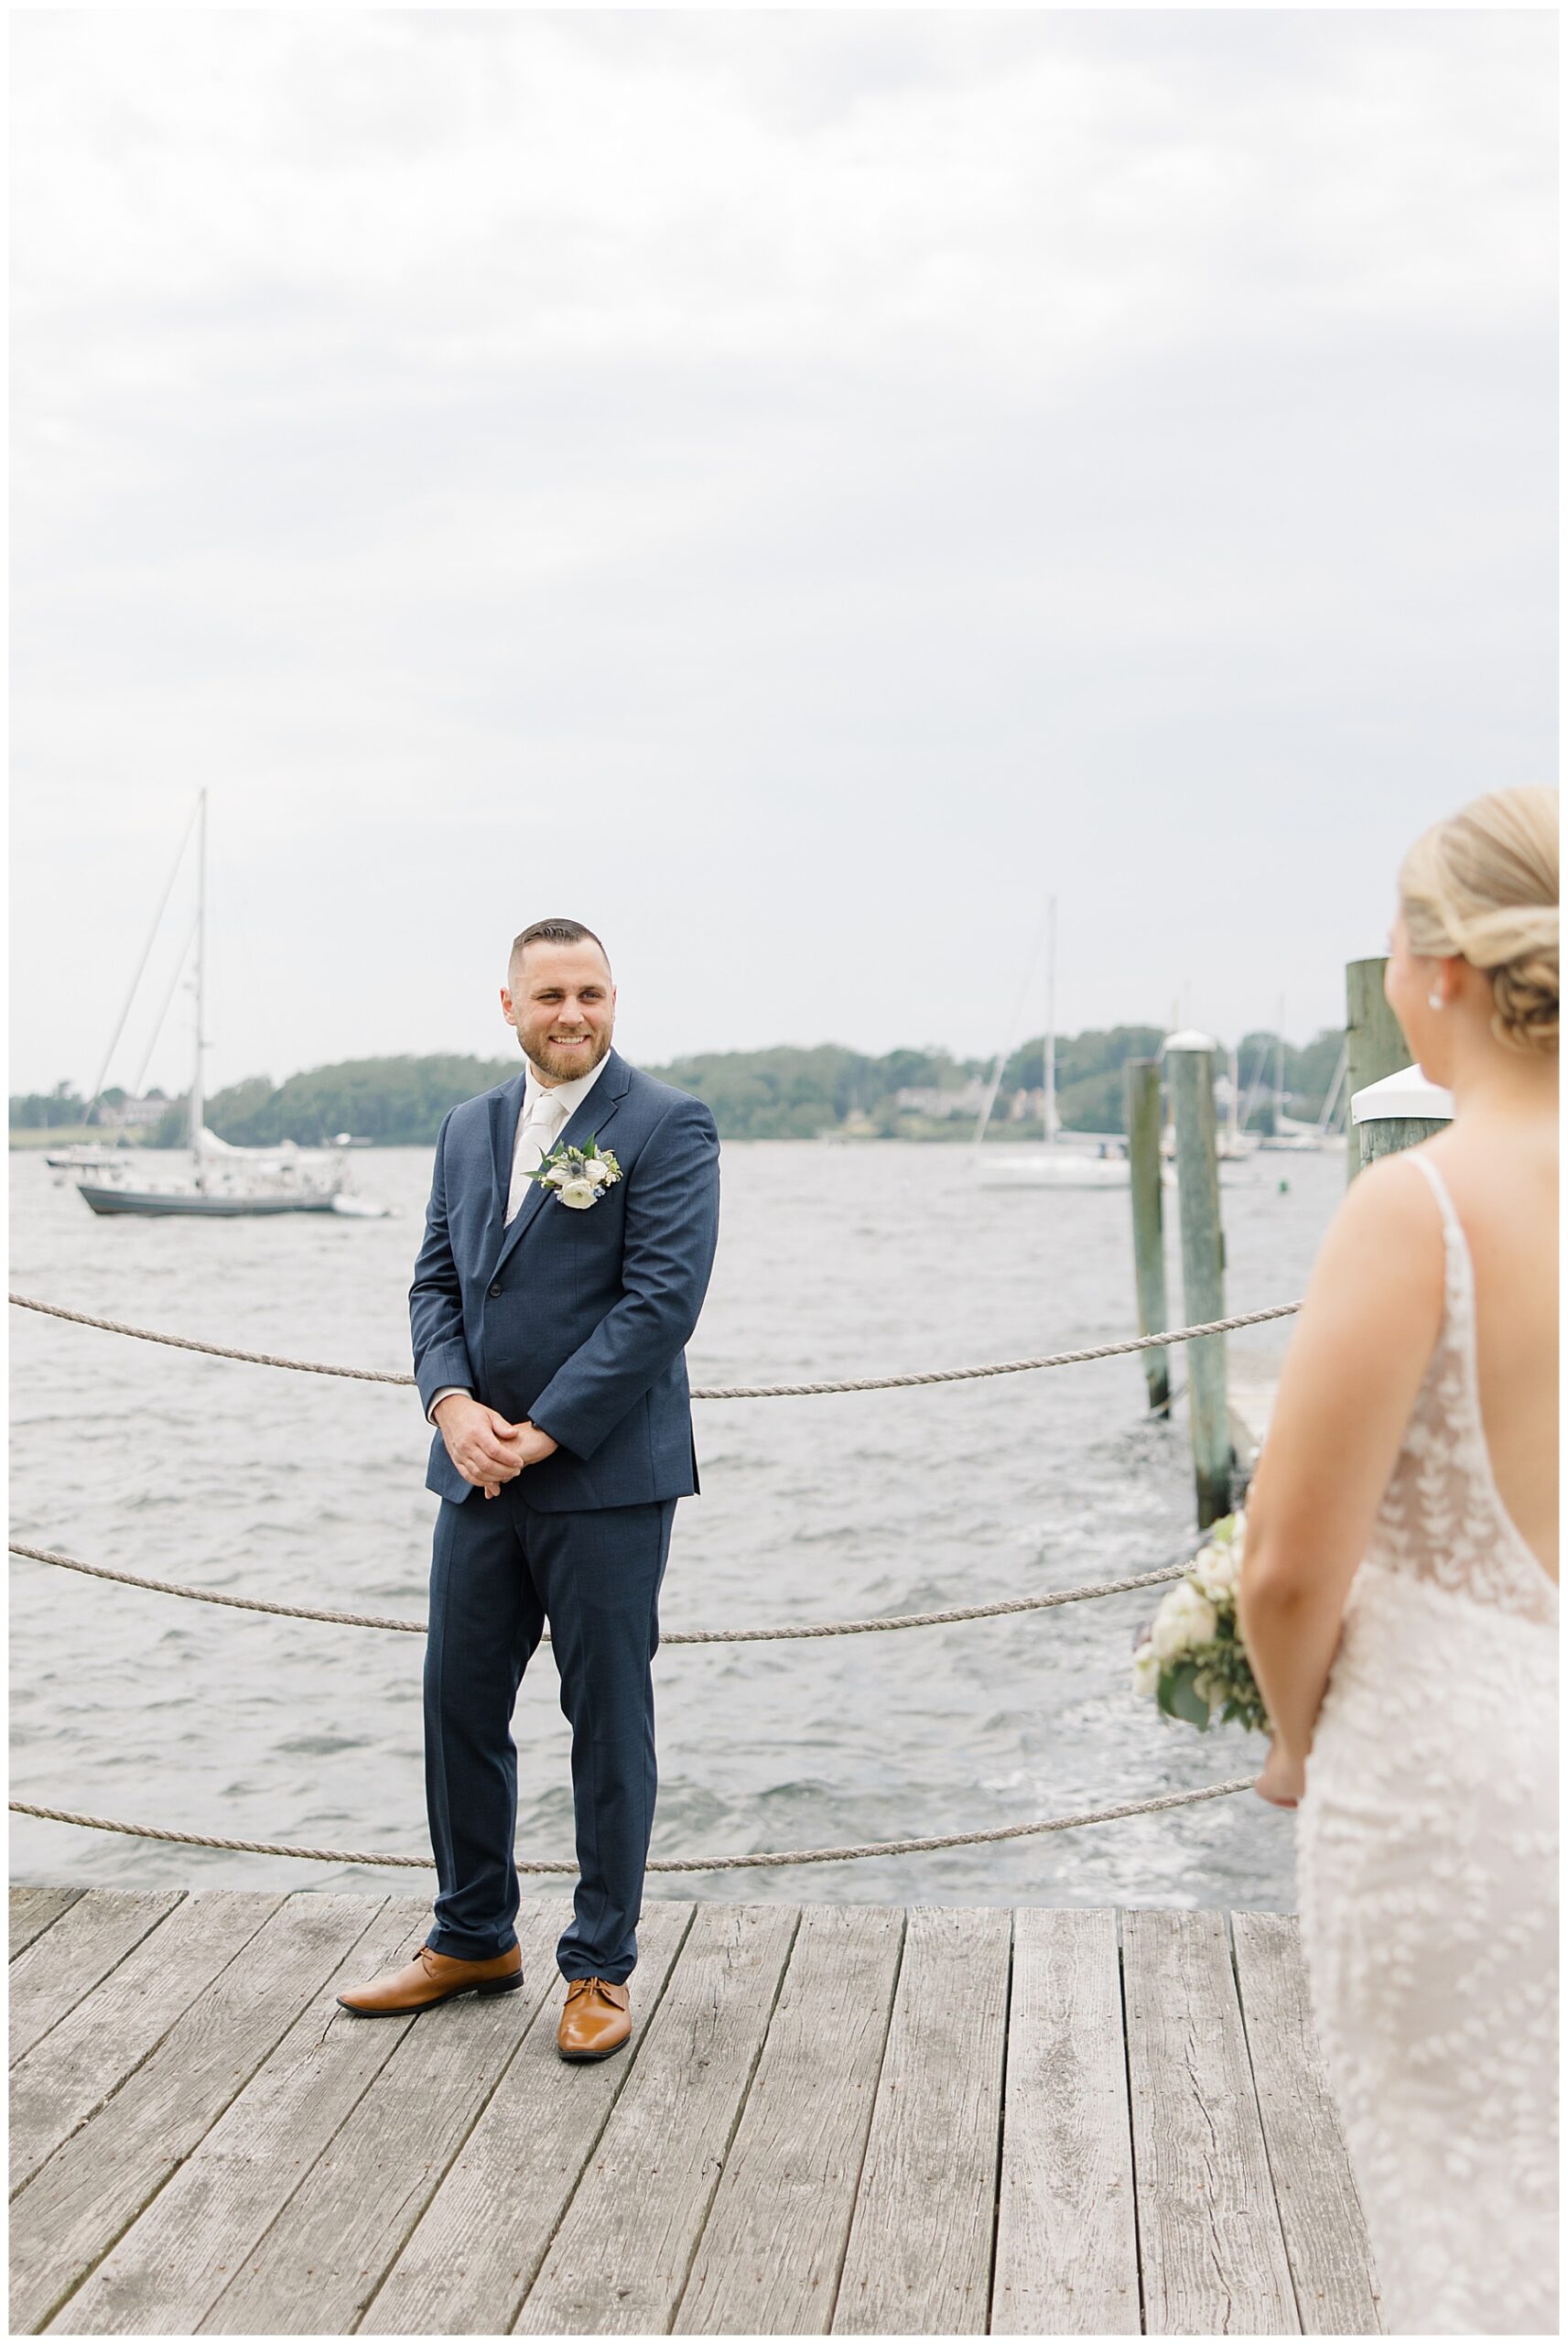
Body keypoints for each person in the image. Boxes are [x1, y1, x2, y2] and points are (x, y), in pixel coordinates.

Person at [1238, 787, 1557, 2335]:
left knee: (1463, 2222)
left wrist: (1296, 1738)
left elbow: (1289, 1567)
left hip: (1455, 1799)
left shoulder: (1412, 1206)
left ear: (1437, 970)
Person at [339, 917, 720, 2061]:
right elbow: (431, 1285)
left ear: (615, 1001)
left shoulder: (665, 1125)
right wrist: (452, 1408)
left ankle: (598, 1965)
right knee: (456, 1701)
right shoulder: (467, 1128)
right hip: (472, 1475)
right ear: (508, 1005)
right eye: (550, 993)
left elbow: (659, 1304)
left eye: (592, 992)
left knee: (607, 1720)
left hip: (603, 1479)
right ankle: (472, 1935)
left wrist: (542, 1433)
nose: (573, 1013)